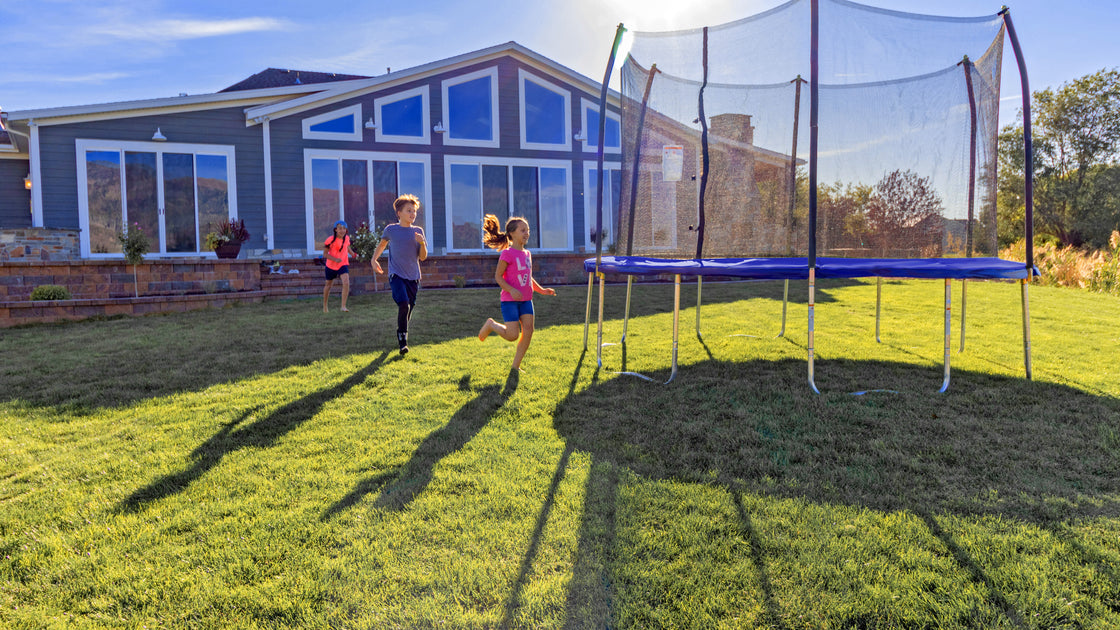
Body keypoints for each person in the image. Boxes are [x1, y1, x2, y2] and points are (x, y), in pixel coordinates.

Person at [477, 214, 556, 371]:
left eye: (528, 230)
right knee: (512, 335)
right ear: (512, 233)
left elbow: (528, 277)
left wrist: (541, 290)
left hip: (527, 300)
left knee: (528, 330)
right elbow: (498, 277)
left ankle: (516, 366)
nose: (526, 233)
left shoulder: (527, 254)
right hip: (510, 301)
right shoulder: (507, 254)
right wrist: (511, 290)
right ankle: (491, 324)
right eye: (522, 230)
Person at [371, 194, 427, 355]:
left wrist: (422, 243)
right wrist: (374, 259)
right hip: (396, 275)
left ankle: (401, 330)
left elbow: (422, 257)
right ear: (399, 213)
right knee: (403, 304)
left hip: (413, 276)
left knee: (408, 309)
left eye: (414, 211)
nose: (413, 214)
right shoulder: (391, 230)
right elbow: (382, 245)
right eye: (409, 210)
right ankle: (403, 342)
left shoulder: (418, 231)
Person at [322, 220, 357, 313]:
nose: (342, 230)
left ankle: (343, 306)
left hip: (343, 264)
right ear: (336, 230)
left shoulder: (346, 238)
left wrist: (353, 254)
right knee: (328, 285)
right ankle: (325, 306)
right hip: (331, 266)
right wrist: (335, 259)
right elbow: (325, 254)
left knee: (346, 282)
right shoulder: (330, 240)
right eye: (340, 228)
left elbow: (347, 247)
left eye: (344, 228)